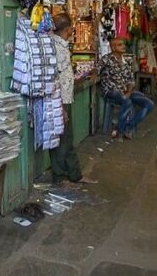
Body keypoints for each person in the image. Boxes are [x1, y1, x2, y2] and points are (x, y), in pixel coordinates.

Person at [48, 14, 94, 186]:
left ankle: (74, 175)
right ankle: (61, 176)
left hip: (64, 98)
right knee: (62, 139)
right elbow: (54, 78)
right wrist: (59, 106)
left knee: (66, 138)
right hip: (60, 100)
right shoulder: (57, 48)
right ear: (67, 29)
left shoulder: (60, 45)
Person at [99, 38, 154, 140]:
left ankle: (127, 127)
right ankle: (120, 132)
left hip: (126, 91)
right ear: (113, 47)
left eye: (123, 44)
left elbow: (131, 80)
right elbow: (96, 69)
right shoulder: (106, 59)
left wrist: (128, 92)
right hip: (111, 91)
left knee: (149, 104)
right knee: (126, 101)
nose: (123, 46)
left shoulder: (127, 61)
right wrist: (94, 73)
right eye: (120, 45)